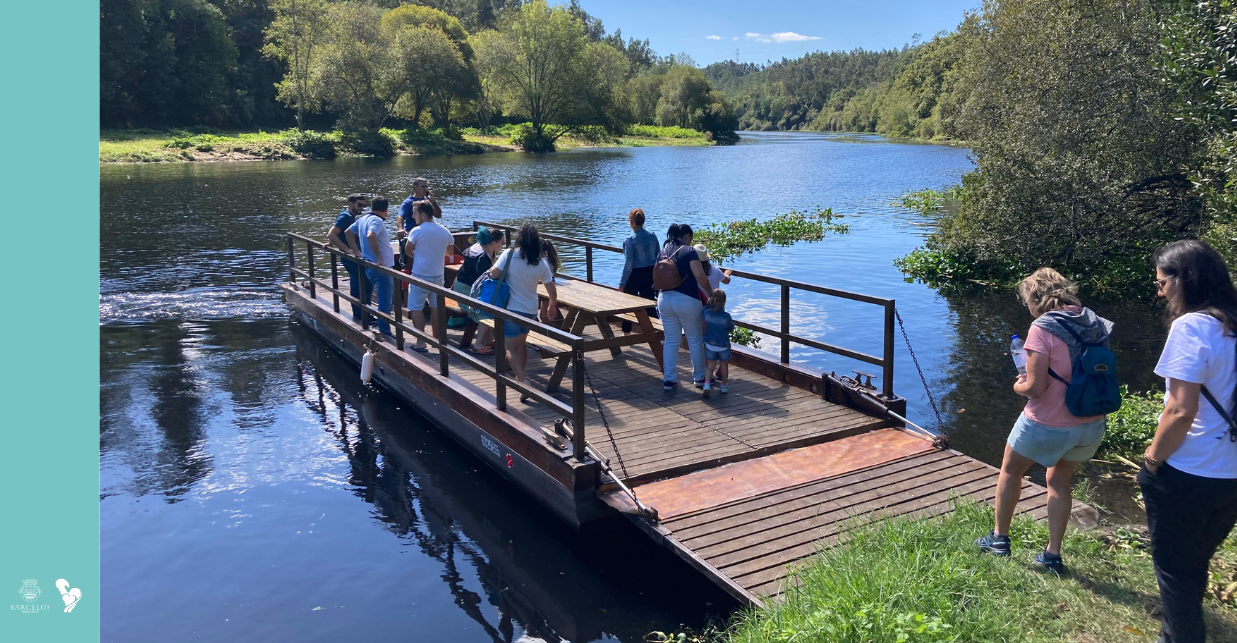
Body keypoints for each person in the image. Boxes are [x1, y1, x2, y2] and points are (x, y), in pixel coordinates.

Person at [976, 268, 1112, 574]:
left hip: (1048, 422)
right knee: (1059, 481)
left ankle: (999, 540)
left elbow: (1035, 389)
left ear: (1035, 299)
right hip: (1090, 422)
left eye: (1027, 301)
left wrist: (1018, 385)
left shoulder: (1042, 327)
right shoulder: (1094, 322)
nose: (1027, 307)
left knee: (1011, 471)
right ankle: (1052, 556)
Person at [1139, 239, 1237, 643]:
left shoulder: (1192, 327)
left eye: (1162, 283)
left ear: (1184, 280)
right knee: (1196, 559)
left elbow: (1180, 411)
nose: (1160, 291)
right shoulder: (1232, 323)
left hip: (1188, 470)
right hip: (1230, 476)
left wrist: (1152, 459)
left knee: (1175, 570)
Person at [488, 223, 558, 399]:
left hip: (512, 309)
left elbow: (493, 275)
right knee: (521, 345)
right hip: (530, 310)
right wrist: (552, 305)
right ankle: (522, 383)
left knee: (510, 348)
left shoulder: (510, 255)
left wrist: (492, 269)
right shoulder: (540, 262)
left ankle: (522, 380)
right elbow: (551, 289)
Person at [656, 223, 712, 391]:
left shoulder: (663, 251)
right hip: (687, 300)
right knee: (694, 340)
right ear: (687, 236)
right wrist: (711, 294)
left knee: (671, 341)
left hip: (664, 299)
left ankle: (669, 379)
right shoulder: (689, 251)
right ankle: (700, 377)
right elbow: (700, 276)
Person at [402, 201, 455, 352]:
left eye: (415, 213)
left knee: (416, 308)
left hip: (420, 276)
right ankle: (436, 339)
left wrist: (420, 255)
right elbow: (450, 253)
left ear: (424, 214)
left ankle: (420, 341)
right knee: (436, 308)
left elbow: (407, 251)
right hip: (438, 276)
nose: (413, 216)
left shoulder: (416, 231)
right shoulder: (445, 231)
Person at [345, 196, 396, 337]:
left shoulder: (363, 219)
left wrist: (357, 252)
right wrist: (380, 259)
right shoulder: (377, 220)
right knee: (385, 302)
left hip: (368, 265)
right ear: (386, 209)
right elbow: (371, 235)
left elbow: (348, 233)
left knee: (383, 300)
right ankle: (385, 332)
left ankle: (382, 328)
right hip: (380, 268)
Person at [454, 227, 506, 354]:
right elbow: (485, 280)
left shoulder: (479, 247)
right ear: (494, 243)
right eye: (502, 243)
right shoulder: (483, 257)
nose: (503, 246)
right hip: (466, 290)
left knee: (492, 302)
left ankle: (486, 339)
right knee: (488, 310)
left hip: (462, 286)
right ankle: (479, 344)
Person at [324, 194, 368, 321]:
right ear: (350, 204)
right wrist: (346, 249)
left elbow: (335, 232)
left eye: (363, 206)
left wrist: (333, 245)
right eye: (359, 205)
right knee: (358, 287)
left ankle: (363, 314)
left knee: (360, 285)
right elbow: (331, 234)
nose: (361, 208)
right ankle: (360, 316)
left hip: (353, 257)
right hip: (352, 259)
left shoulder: (345, 215)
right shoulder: (346, 217)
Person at [620, 208, 660, 334]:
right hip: (650, 273)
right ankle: (658, 332)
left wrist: (621, 284)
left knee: (629, 305)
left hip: (635, 275)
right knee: (649, 303)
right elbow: (658, 255)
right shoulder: (652, 236)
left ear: (632, 222)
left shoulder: (630, 240)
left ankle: (626, 334)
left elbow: (629, 264)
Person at [702, 289, 734, 398]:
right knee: (724, 365)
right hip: (723, 345)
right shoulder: (726, 316)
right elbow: (731, 328)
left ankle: (706, 385)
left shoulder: (706, 313)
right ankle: (724, 386)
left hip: (710, 344)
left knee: (710, 366)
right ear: (724, 302)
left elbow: (704, 312)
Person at [539, 238, 561, 323]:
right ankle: (562, 326)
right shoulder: (549, 259)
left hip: (546, 285)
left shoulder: (542, 261)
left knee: (544, 315)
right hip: (551, 283)